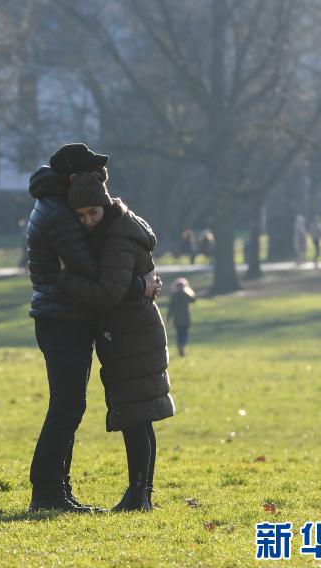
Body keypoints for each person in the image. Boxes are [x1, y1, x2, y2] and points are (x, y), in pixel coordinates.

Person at [25, 143, 160, 514]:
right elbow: (94, 277)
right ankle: (48, 491)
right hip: (63, 319)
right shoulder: (60, 215)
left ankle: (56, 490)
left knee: (69, 405)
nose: (86, 219)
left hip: (63, 317)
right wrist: (139, 283)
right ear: (72, 178)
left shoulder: (53, 205)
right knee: (67, 406)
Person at [56, 171, 175, 512]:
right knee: (139, 416)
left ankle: (139, 495)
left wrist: (65, 278)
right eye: (81, 216)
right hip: (132, 331)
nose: (87, 221)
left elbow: (109, 293)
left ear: (105, 206)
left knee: (135, 416)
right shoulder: (117, 229)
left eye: (92, 212)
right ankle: (141, 494)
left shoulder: (117, 238)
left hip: (132, 334)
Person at [166, 278, 196, 357]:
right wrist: (189, 291)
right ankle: (182, 345)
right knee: (185, 333)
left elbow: (170, 308)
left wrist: (168, 318)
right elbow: (193, 299)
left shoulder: (174, 295)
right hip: (186, 318)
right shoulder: (186, 294)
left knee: (179, 333)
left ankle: (180, 345)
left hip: (177, 319)